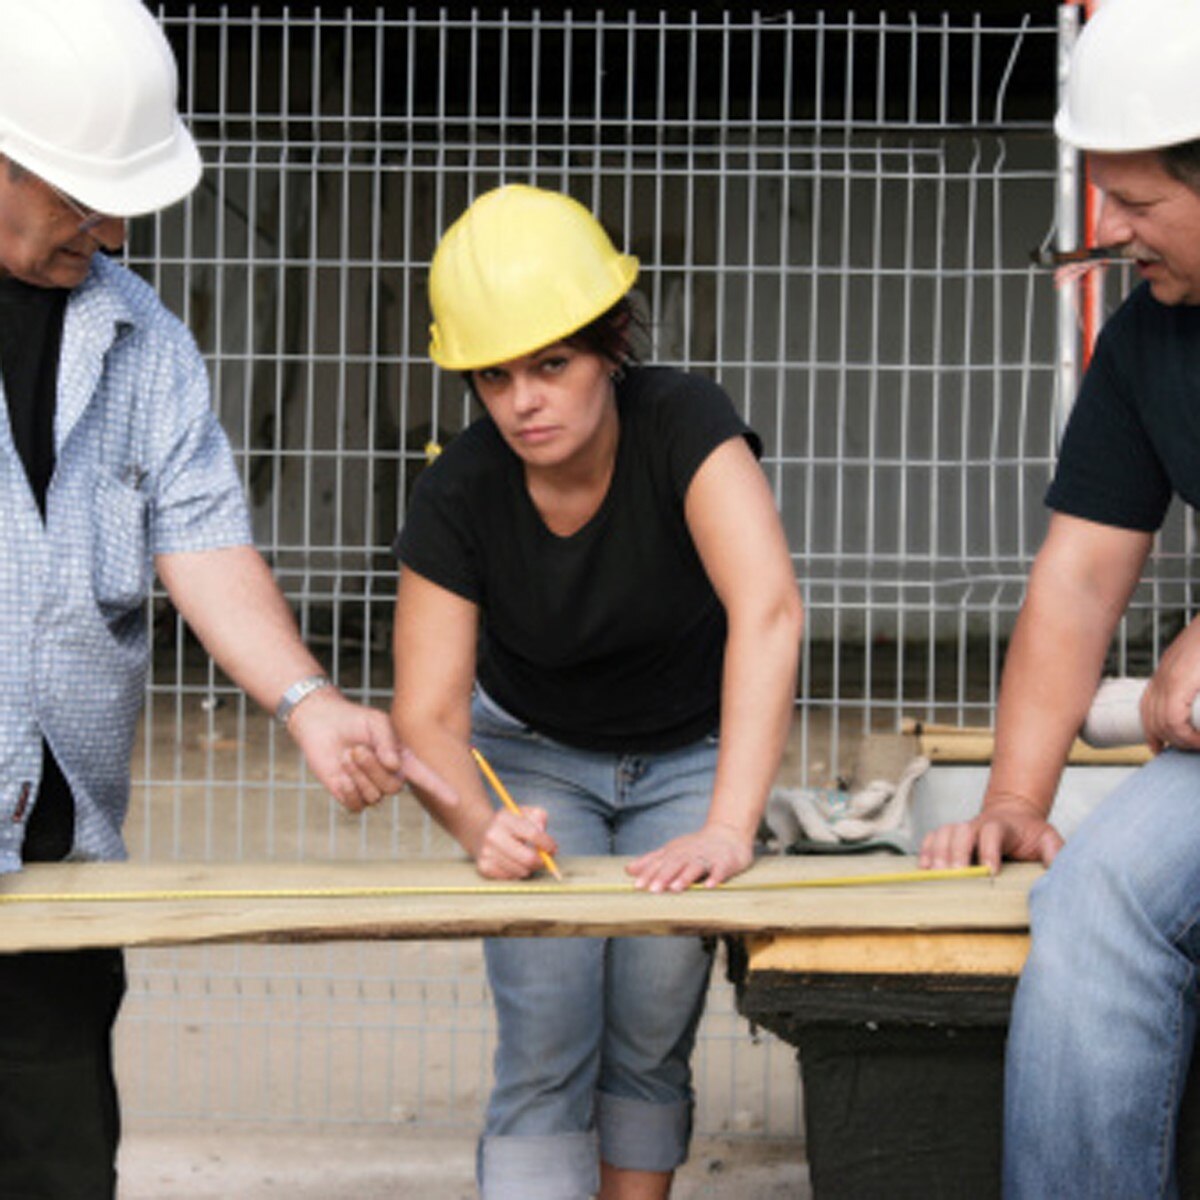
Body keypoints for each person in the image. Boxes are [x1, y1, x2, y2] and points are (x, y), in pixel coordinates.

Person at [0, 2, 454, 1195]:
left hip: (51, 855)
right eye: (77, 197)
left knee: (53, 1159)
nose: (107, 227)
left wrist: (310, 702)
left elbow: (197, 538)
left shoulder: (143, 340)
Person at [391, 183, 803, 1200]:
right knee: (547, 1036)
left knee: (652, 1029)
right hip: (533, 761)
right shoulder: (458, 490)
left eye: (552, 364)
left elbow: (769, 611)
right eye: (493, 377)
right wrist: (477, 824)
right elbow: (425, 716)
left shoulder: (686, 422)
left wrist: (728, 825)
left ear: (611, 343)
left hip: (689, 759)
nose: (524, 398)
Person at [919, 0, 1200, 1192]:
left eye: (1139, 205)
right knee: (1092, 900)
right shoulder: (1144, 342)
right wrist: (1019, 795)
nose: (1113, 228)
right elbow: (1080, 577)